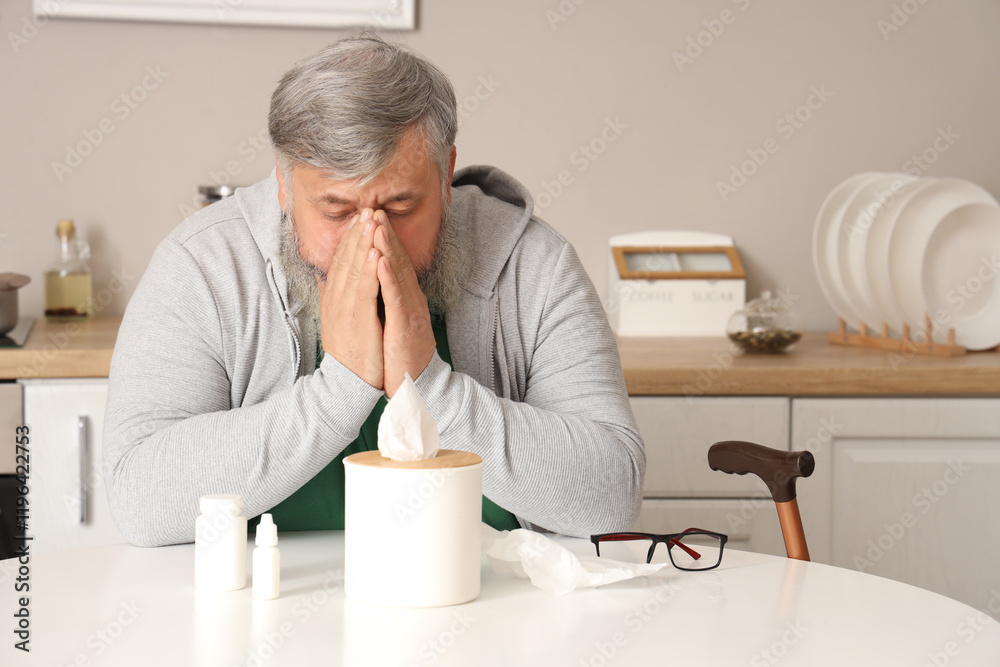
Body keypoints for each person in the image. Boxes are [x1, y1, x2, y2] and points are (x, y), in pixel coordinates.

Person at [104, 33, 645, 547]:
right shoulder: (202, 265)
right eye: (337, 211)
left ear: (446, 175)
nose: (372, 242)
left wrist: (432, 387)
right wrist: (339, 388)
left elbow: (611, 496)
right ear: (284, 185)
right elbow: (141, 500)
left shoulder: (535, 263)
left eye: (402, 208)